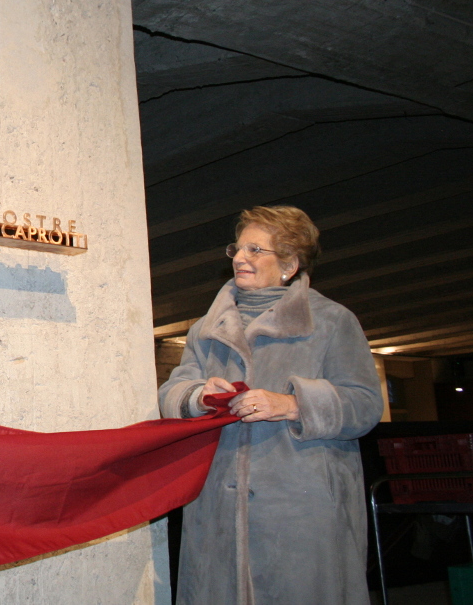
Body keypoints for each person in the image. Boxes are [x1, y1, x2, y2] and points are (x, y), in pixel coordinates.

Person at [158, 205, 383, 605]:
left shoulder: (331, 321)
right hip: (216, 506)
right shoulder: (205, 330)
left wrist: (294, 403)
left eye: (256, 250)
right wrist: (198, 396)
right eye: (238, 249)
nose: (241, 258)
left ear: (289, 264)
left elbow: (366, 404)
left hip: (303, 507)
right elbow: (171, 394)